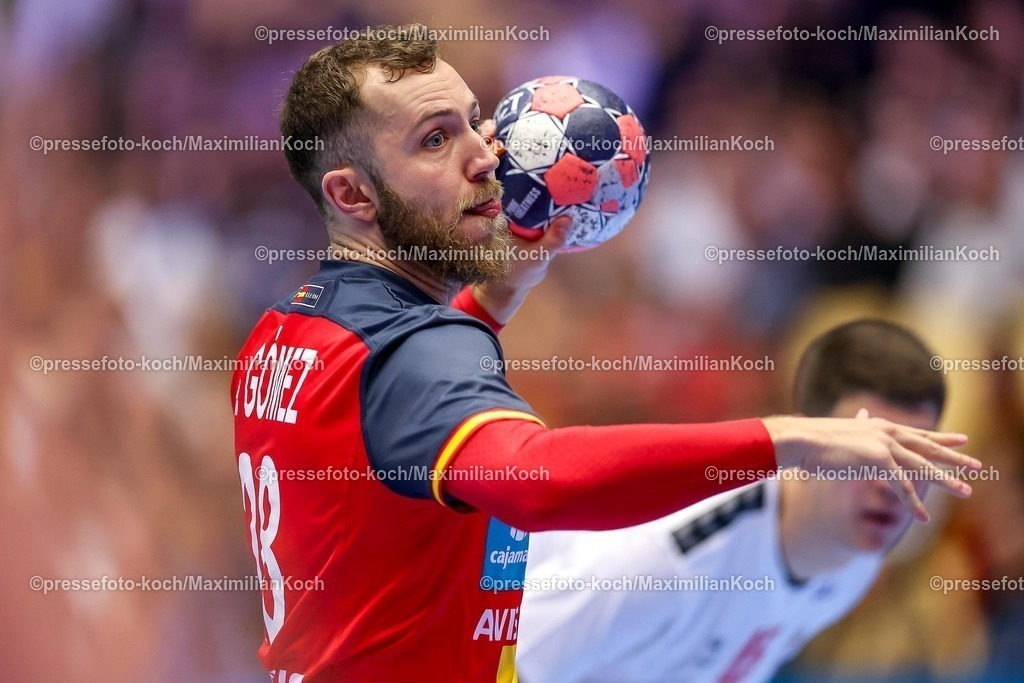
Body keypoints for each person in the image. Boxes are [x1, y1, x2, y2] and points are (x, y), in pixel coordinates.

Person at [230, 25, 978, 682]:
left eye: (473, 122)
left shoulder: (283, 337)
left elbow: (392, 440)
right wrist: (788, 437)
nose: (484, 157)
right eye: (435, 139)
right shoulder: (416, 353)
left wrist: (490, 303)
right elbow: (537, 481)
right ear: (352, 194)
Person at [517, 319, 958, 683]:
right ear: (812, 443)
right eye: (867, 455)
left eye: (909, 458)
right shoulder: (667, 563)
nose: (891, 484)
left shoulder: (856, 557)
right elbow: (502, 665)